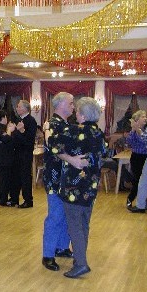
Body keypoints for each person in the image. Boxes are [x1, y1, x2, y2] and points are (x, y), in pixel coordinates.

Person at [53, 97, 106, 278]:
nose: (75, 114)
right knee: (84, 224)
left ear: (82, 115)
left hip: (73, 186)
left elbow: (54, 147)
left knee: (74, 225)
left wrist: (70, 159)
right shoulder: (99, 133)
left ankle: (81, 263)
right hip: (91, 185)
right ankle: (79, 259)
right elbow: (102, 155)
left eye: (77, 111)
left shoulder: (73, 130)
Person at [41, 92, 87, 272]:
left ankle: (61, 247)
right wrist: (71, 159)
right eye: (71, 103)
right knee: (55, 216)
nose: (73, 106)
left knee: (65, 215)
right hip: (55, 178)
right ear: (60, 105)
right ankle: (48, 255)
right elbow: (53, 147)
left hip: (67, 178)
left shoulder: (67, 124)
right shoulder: (52, 125)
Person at [10, 100, 37, 208]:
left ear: (25, 109)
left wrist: (21, 132)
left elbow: (29, 141)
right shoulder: (17, 120)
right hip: (16, 152)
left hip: (25, 153)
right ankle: (14, 199)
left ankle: (28, 200)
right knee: (15, 176)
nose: (17, 108)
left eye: (19, 106)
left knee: (25, 176)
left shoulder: (31, 121)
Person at [125, 110, 147, 209]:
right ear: (137, 120)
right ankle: (130, 199)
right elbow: (129, 142)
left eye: (145, 116)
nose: (145, 118)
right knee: (138, 180)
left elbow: (146, 141)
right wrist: (134, 129)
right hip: (136, 157)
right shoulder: (134, 131)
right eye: (143, 117)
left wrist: (138, 131)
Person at [0, 110, 15, 206]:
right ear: (3, 118)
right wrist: (10, 131)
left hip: (2, 157)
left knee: (3, 178)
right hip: (3, 158)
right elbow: (5, 139)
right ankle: (2, 199)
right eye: (5, 117)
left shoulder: (1, 128)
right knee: (5, 178)